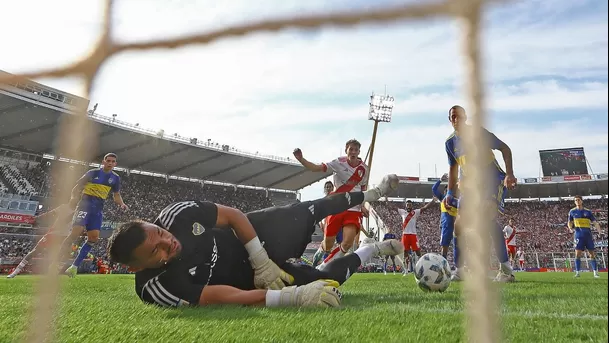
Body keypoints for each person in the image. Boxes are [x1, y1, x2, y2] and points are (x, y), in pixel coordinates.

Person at [107, 174, 402, 308]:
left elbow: (234, 215)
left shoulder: (175, 216)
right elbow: (219, 297)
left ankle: (370, 193)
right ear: (136, 268)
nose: (166, 242)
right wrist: (287, 298)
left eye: (159, 234)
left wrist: (261, 260)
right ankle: (373, 249)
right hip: (247, 281)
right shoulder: (155, 287)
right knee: (324, 285)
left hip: (251, 235)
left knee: (307, 209)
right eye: (155, 251)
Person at [442, 105, 517, 282]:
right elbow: (453, 169)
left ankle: (506, 270)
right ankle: (460, 270)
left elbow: (505, 149)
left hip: (492, 179)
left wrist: (510, 174)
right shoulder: (450, 143)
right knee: (459, 225)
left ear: (465, 117)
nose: (456, 119)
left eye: (459, 116)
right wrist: (449, 193)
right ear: (449, 119)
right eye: (452, 117)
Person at [293, 139, 369, 270]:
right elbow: (316, 168)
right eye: (351, 149)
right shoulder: (338, 162)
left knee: (347, 243)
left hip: (354, 209)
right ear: (346, 150)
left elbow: (363, 190)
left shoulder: (364, 169)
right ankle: (318, 256)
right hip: (337, 206)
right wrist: (301, 159)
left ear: (359, 152)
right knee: (328, 245)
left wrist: (363, 206)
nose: (353, 152)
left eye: (356, 150)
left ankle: (325, 267)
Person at [60, 153, 129, 278]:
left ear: (115, 164)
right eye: (108, 160)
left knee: (93, 238)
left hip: (97, 210)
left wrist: (122, 204)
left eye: (113, 161)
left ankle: (74, 267)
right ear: (103, 162)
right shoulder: (92, 173)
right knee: (76, 232)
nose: (110, 163)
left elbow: (116, 195)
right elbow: (76, 187)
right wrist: (73, 198)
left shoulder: (115, 178)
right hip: (84, 206)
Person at [6, 202, 76, 278]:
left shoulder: (80, 210)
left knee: (66, 253)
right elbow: (49, 214)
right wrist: (36, 218)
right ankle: (15, 272)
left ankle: (57, 272)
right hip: (54, 233)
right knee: (35, 251)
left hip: (65, 235)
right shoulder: (64, 206)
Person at [431, 175, 460, 273]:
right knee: (444, 247)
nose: (449, 191)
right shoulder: (443, 198)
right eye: (447, 189)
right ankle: (442, 267)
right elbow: (434, 189)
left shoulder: (458, 201)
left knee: (458, 246)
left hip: (457, 226)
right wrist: (440, 180)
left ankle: (459, 268)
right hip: (446, 225)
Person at [567, 195, 601, 278]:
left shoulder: (588, 211)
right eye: (576, 200)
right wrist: (570, 228)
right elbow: (569, 222)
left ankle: (595, 273)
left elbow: (595, 222)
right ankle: (577, 273)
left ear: (582, 201)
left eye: (578, 200)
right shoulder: (572, 211)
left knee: (591, 254)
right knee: (577, 254)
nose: (577, 201)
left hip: (588, 235)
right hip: (578, 235)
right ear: (574, 202)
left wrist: (599, 231)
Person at [398, 199, 435, 273]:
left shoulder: (415, 212)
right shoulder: (402, 212)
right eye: (407, 205)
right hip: (405, 235)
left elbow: (424, 208)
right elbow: (393, 208)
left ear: (412, 206)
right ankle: (406, 270)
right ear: (406, 205)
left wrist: (432, 201)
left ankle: (421, 267)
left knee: (418, 252)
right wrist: (386, 200)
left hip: (413, 235)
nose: (408, 206)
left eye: (410, 205)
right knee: (406, 252)